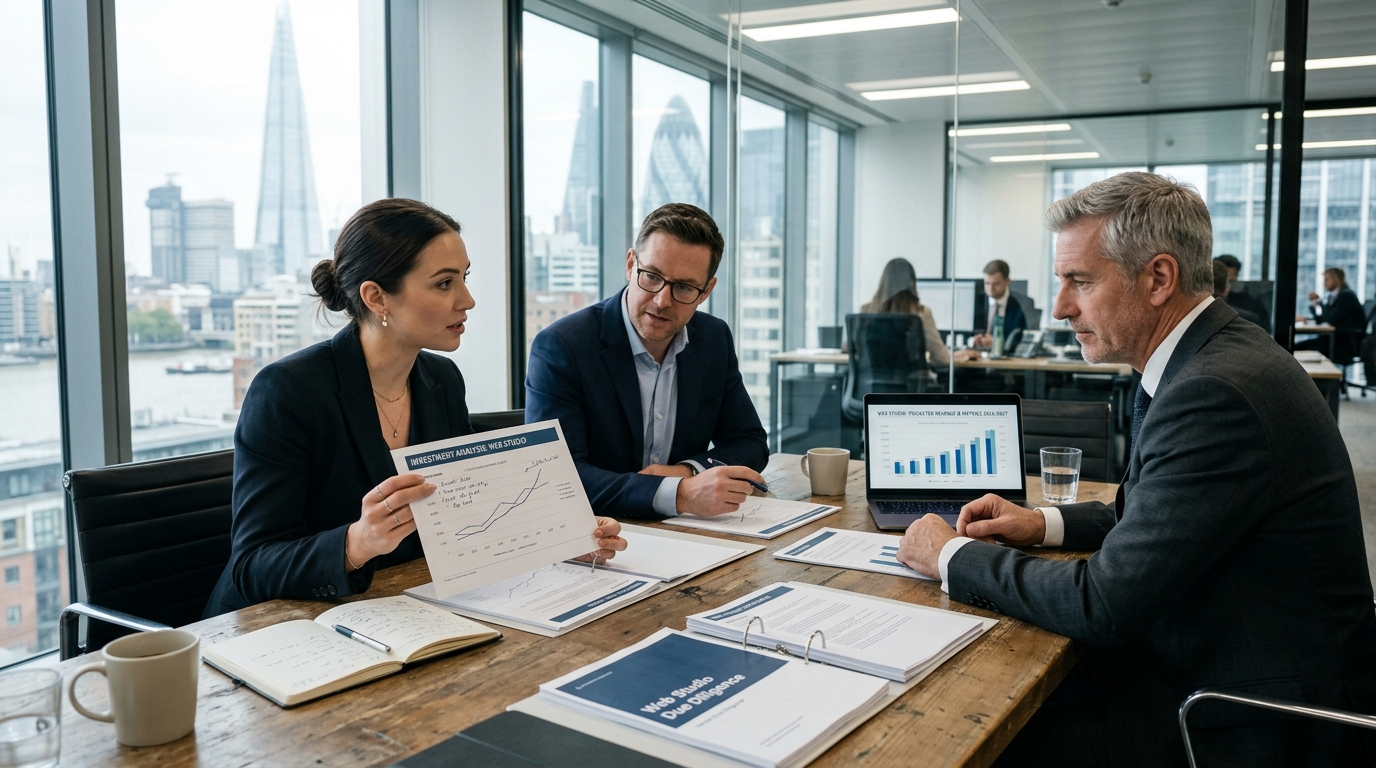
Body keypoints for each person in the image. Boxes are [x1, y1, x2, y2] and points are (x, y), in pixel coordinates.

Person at [894, 172, 1376, 766]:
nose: (1062, 307)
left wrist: (949, 555)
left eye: (1080, 281)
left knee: (976, 734)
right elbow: (1154, 508)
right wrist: (1040, 523)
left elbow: (1104, 602)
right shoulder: (1211, 356)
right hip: (1230, 663)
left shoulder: (1214, 391)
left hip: (1250, 718)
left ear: (1159, 278)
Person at [205, 199, 626, 617]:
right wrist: (356, 543)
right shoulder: (287, 391)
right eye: (444, 283)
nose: (468, 300)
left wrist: (561, 540)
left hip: (396, 610)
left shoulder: (441, 381)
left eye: (464, 278)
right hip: (274, 630)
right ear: (376, 297)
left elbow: (465, 518)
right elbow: (251, 567)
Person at [525, 203, 769, 520]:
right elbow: (555, 476)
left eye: (683, 287)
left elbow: (749, 441)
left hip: (689, 533)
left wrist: (686, 471)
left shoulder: (713, 339)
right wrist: (678, 494)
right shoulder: (562, 346)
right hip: (599, 534)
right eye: (651, 276)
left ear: (706, 291)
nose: (661, 301)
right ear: (631, 265)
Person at [860, 258, 978, 365]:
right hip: (910, 385)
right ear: (911, 283)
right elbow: (941, 358)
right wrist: (959, 354)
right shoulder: (921, 313)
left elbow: (852, 348)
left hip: (869, 386)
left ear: (883, 282)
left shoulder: (865, 312)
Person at [1298, 266, 1367, 361]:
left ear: (1336, 280)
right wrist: (1316, 305)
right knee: (1297, 346)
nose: (1324, 283)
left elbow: (1330, 320)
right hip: (1334, 339)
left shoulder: (1346, 296)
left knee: (1297, 347)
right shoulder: (1334, 296)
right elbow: (1324, 320)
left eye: (1327, 280)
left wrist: (1320, 304)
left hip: (1343, 343)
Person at [970, 259, 1027, 350]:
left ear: (1007, 281)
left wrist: (998, 343)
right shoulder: (976, 302)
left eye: (996, 284)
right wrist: (975, 340)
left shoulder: (1019, 306)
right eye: (987, 283)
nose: (990, 289)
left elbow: (1020, 340)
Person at [1214, 254, 1272, 333]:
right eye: (1219, 282)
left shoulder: (1253, 305)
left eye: (1231, 282)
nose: (1229, 287)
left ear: (1237, 276)